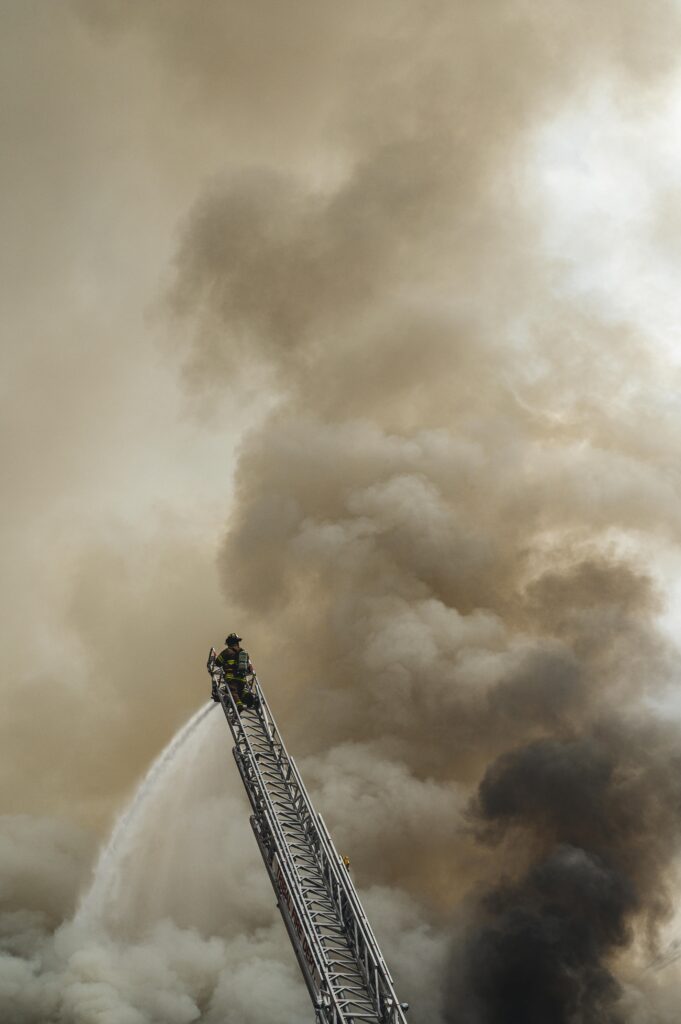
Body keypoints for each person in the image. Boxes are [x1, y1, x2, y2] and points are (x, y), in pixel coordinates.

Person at [215, 633, 256, 712]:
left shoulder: (227, 651)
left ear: (229, 642)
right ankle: (248, 697)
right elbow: (250, 668)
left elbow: (217, 662)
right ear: (237, 642)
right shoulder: (244, 653)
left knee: (233, 692)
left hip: (231, 678)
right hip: (242, 679)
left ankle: (239, 705)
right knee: (242, 692)